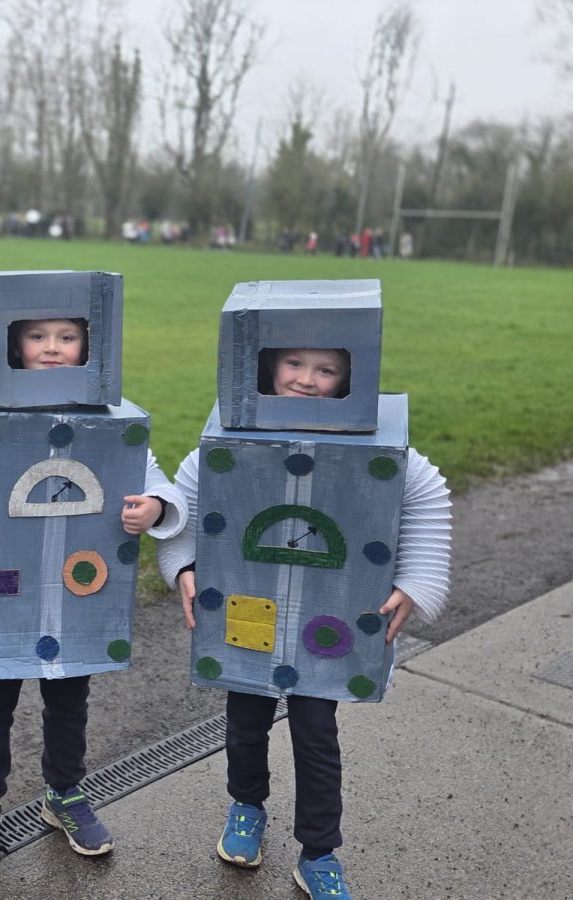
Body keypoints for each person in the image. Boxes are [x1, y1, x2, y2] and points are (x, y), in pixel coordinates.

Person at [157, 345, 451, 900]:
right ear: (269, 365)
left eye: (326, 369)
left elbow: (422, 492)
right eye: (294, 363)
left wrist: (416, 583)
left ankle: (318, 851)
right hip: (249, 612)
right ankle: (246, 806)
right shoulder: (232, 441)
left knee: (316, 733)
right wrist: (184, 565)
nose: (308, 380)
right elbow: (189, 501)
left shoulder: (378, 446)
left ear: (348, 378)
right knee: (246, 719)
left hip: (327, 619)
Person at [0, 316, 185, 872]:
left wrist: (155, 506)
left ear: (88, 345)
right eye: (38, 336)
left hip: (76, 595)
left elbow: (147, 471)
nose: (53, 348)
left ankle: (64, 792)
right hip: (1, 597)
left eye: (67, 336)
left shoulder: (105, 426)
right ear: (15, 344)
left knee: (68, 701)